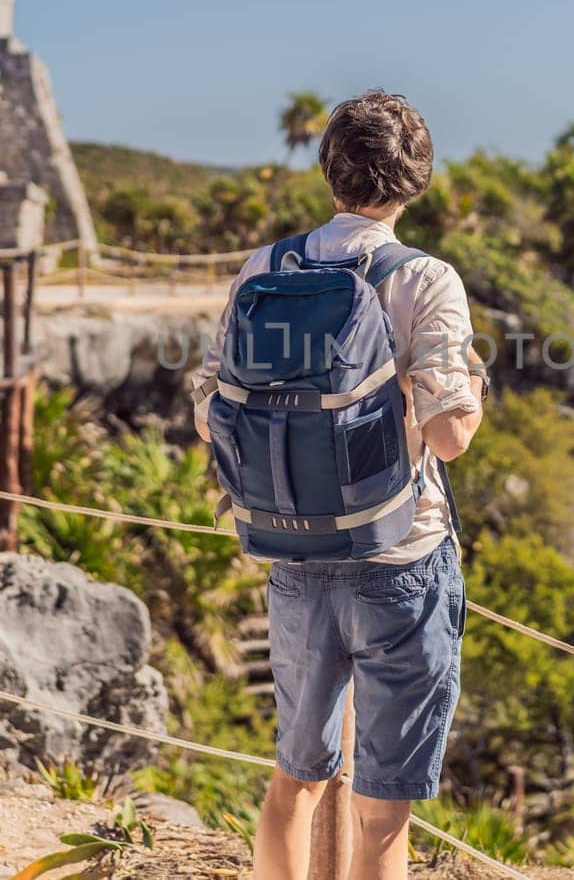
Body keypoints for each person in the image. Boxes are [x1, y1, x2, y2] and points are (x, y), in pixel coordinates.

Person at [193, 90, 485, 880]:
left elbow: (209, 411)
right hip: (399, 560)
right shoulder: (426, 279)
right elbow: (452, 439)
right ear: (415, 178)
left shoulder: (267, 267)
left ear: (329, 171)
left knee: (294, 783)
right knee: (381, 813)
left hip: (293, 552)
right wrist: (474, 388)